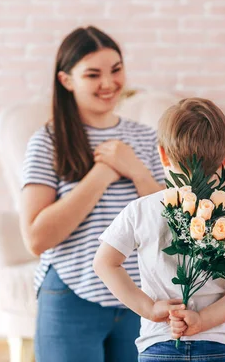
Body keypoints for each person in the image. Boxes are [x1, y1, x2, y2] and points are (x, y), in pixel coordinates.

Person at [20, 26, 165, 362]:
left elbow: (173, 224)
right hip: (70, 295)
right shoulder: (48, 142)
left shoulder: (147, 139)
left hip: (139, 298)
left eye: (116, 70)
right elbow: (36, 239)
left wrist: (137, 171)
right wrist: (101, 173)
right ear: (66, 80)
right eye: (93, 74)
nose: (108, 83)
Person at [93, 98, 225, 362]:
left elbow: (104, 263)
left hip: (158, 344)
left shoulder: (140, 210)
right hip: (216, 346)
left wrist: (149, 309)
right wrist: (201, 320)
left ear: (162, 154)